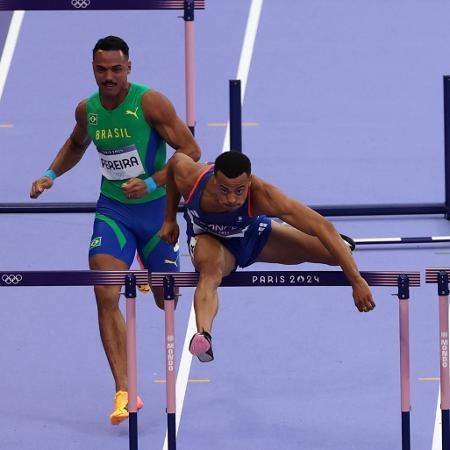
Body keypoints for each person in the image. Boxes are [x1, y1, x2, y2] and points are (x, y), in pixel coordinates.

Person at [29, 36, 201, 424]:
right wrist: (50, 173)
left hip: (158, 211)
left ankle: (144, 261)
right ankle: (125, 390)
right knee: (105, 291)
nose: (108, 77)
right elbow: (76, 144)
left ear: (129, 68)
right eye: (101, 70)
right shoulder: (87, 110)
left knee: (164, 300)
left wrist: (153, 183)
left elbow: (191, 152)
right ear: (93, 69)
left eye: (116, 69)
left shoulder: (150, 103)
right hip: (113, 212)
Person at [159, 151, 375, 363]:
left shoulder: (263, 194)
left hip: (252, 236)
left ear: (250, 182)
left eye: (239, 191)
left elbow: (322, 225)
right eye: (224, 190)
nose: (231, 199)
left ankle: (314, 240)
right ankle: (203, 335)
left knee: (335, 254)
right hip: (210, 242)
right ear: (214, 179)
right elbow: (175, 162)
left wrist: (356, 281)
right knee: (211, 270)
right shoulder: (192, 179)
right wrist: (170, 219)